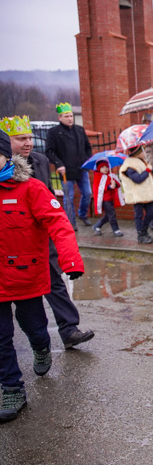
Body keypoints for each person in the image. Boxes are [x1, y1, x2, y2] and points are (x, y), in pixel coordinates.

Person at [0, 130, 84, 423]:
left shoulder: (31, 189)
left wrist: (70, 259)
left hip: (25, 278)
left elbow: (59, 224)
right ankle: (11, 388)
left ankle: (41, 346)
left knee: (34, 327)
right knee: (1, 338)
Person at [1, 116, 95, 350]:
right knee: (26, 309)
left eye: (30, 138)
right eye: (21, 138)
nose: (28, 143)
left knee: (56, 280)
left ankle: (69, 329)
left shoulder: (40, 161)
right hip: (14, 243)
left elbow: (48, 195)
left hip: (42, 236)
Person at [45, 102, 93, 231]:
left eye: (71, 116)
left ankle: (82, 214)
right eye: (66, 116)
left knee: (87, 193)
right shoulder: (54, 132)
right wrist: (59, 164)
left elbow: (88, 148)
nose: (70, 118)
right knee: (68, 197)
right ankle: (71, 222)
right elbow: (49, 151)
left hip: (81, 168)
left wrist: (87, 160)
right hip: (65, 170)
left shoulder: (79, 129)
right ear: (60, 117)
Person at [119, 141, 153, 244]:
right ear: (137, 152)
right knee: (139, 215)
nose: (144, 152)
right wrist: (147, 170)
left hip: (147, 193)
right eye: (142, 150)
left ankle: (144, 231)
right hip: (138, 195)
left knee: (151, 212)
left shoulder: (141, 161)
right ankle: (140, 234)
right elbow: (137, 178)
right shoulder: (129, 165)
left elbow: (148, 175)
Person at [91, 160, 124, 236]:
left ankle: (97, 226)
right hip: (105, 200)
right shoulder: (98, 177)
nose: (105, 169)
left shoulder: (111, 176)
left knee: (108, 215)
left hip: (111, 199)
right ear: (99, 168)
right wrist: (109, 187)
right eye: (102, 167)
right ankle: (116, 230)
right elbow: (98, 189)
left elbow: (118, 185)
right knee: (111, 215)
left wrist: (115, 184)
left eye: (106, 167)